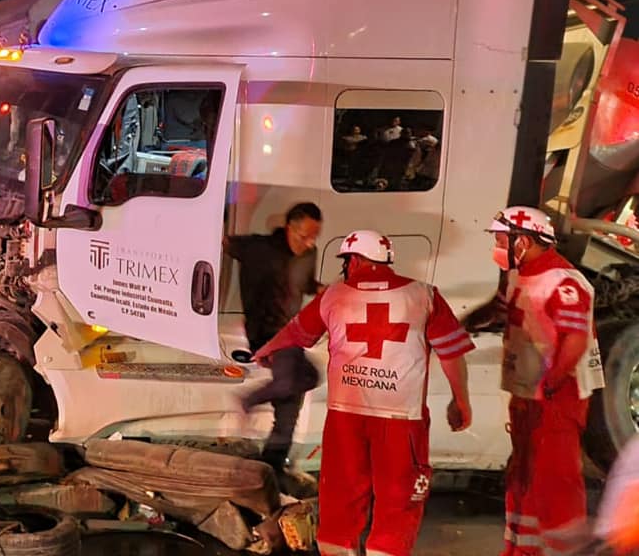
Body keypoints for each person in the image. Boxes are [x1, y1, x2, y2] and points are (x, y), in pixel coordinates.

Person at [253, 230, 474, 556]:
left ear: (353, 260)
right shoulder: (423, 295)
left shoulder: (334, 296)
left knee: (340, 501)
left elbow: (296, 334)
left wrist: (265, 351)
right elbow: (452, 352)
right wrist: (461, 400)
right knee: (398, 505)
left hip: (346, 418)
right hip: (401, 421)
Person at [485, 206, 605, 556]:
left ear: (521, 241)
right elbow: (506, 310)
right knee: (523, 475)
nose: (495, 246)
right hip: (528, 393)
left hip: (556, 397)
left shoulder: (565, 281)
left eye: (499, 239)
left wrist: (550, 385)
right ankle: (522, 549)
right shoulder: (520, 274)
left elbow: (575, 339)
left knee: (555, 480)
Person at [227, 202, 324, 475]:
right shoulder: (258, 248)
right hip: (265, 332)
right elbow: (221, 242)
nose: (308, 243)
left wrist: (322, 289)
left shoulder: (309, 253)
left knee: (295, 395)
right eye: (303, 236)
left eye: (314, 237)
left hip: (290, 332)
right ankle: (248, 400)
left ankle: (272, 463)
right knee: (292, 382)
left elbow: (305, 284)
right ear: (288, 228)